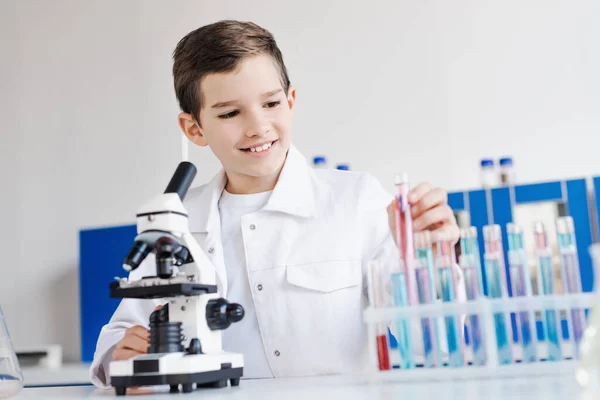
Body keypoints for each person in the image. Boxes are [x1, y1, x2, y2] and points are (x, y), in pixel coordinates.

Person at [90, 20, 463, 388]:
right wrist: (120, 356)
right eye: (229, 113)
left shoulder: (357, 202)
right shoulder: (178, 223)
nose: (258, 126)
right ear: (194, 129)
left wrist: (428, 260)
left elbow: (435, 341)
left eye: (270, 103)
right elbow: (118, 335)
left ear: (291, 101)